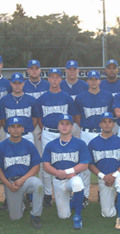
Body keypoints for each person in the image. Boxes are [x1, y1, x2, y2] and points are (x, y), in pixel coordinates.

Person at [37, 68, 78, 208]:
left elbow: (72, 116)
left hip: (65, 133)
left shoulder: (66, 97)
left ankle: (71, 191)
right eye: (52, 77)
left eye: (57, 77)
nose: (54, 80)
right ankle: (48, 194)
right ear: (48, 79)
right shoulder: (42, 97)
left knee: (69, 160)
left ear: (61, 79)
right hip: (48, 132)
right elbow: (38, 117)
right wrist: (44, 130)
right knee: (47, 163)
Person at [42, 114, 91, 230]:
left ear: (72, 127)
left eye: (67, 124)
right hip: (58, 180)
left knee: (77, 183)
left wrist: (68, 171)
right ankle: (74, 202)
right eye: (62, 124)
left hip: (73, 178)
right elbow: (46, 165)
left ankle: (78, 216)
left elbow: (85, 164)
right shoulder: (51, 145)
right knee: (63, 216)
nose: (64, 126)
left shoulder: (80, 143)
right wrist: (57, 172)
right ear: (58, 127)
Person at [0, 117, 43, 228]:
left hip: (26, 180)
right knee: (15, 217)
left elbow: (36, 166)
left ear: (22, 129)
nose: (16, 129)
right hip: (11, 183)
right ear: (8, 129)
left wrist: (22, 179)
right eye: (13, 127)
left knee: (38, 185)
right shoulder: (1, 146)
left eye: (18, 127)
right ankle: (21, 203)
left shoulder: (29, 145)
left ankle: (35, 215)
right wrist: (8, 185)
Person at [75, 70, 113, 204]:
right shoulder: (80, 97)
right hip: (86, 132)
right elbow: (77, 117)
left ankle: (104, 192)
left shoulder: (108, 96)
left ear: (99, 81)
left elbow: (111, 116)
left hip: (103, 133)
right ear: (87, 81)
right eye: (90, 79)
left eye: (95, 79)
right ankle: (84, 196)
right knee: (85, 165)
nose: (93, 81)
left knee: (105, 163)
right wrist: (86, 127)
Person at [88, 112, 120, 229]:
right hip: (103, 178)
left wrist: (114, 175)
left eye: (110, 122)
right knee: (107, 214)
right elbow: (90, 164)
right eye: (104, 122)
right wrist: (103, 176)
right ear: (100, 124)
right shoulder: (93, 143)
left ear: (113, 124)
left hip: (119, 175)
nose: (107, 124)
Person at [0, 72, 39, 144]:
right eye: (15, 83)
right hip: (10, 136)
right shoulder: (4, 100)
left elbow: (35, 118)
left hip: (27, 135)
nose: (17, 86)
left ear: (23, 83)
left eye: (19, 83)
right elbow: (2, 120)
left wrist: (28, 129)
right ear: (11, 83)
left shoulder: (31, 100)